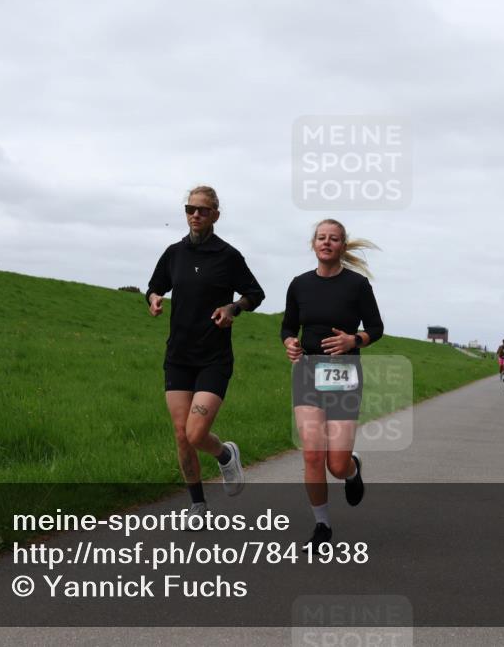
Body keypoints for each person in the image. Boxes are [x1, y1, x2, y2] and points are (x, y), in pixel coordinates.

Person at [146, 185, 265, 524]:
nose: (194, 214)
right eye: (189, 209)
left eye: (201, 210)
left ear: (215, 214)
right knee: (181, 434)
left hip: (213, 357)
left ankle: (225, 454)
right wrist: (154, 298)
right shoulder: (174, 253)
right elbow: (155, 285)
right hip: (178, 356)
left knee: (197, 433)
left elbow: (255, 293)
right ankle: (197, 505)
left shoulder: (227, 256)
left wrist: (232, 307)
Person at [281, 219, 383, 548]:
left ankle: (352, 470)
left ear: (342, 246)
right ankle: (322, 527)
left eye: (334, 239)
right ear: (314, 244)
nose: (327, 243)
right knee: (312, 456)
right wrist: (289, 343)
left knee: (335, 464)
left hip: (343, 371)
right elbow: (287, 327)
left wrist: (354, 340)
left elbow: (376, 328)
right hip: (308, 371)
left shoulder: (357, 285)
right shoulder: (299, 284)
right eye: (322, 238)